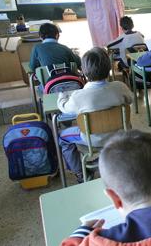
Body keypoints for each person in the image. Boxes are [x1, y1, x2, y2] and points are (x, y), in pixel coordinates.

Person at [57, 47, 133, 182]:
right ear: (109, 67)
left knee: (62, 137)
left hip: (92, 140)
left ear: (84, 71)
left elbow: (65, 108)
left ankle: (80, 172)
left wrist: (62, 96)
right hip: (120, 134)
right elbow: (130, 99)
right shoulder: (120, 87)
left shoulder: (78, 96)